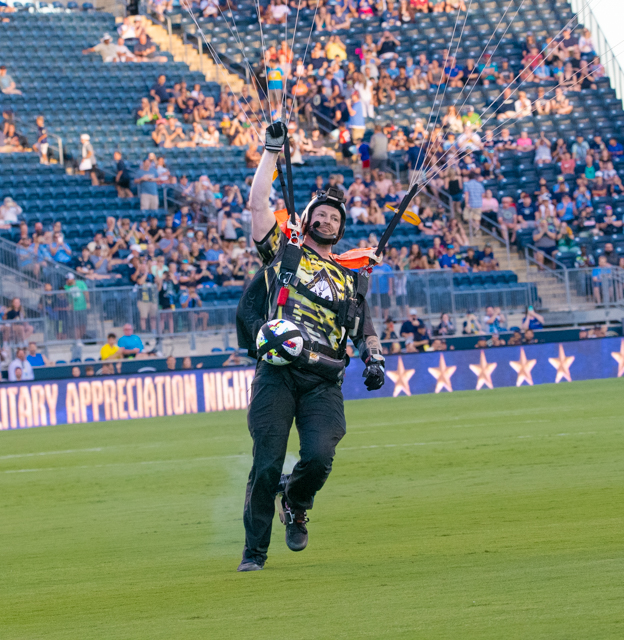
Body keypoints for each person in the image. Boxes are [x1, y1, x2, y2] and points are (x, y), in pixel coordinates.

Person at [235, 121, 384, 572]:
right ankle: (254, 553)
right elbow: (258, 202)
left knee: (318, 457)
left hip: (324, 380)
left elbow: (363, 326)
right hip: (278, 373)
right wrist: (272, 151)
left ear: (340, 230)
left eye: (335, 218)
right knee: (265, 465)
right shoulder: (285, 253)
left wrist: (374, 357)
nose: (326, 219)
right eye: (320, 213)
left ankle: (296, 502)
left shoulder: (350, 276)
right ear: (306, 219)